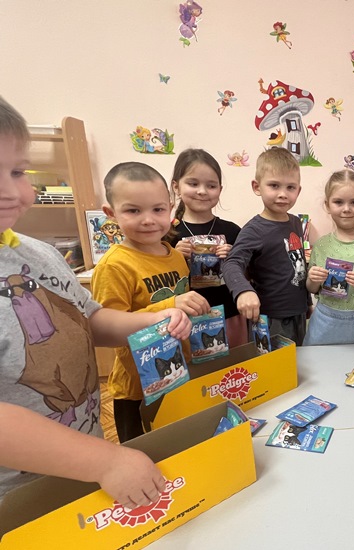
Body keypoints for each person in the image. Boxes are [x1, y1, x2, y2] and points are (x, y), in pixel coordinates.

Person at [0, 96, 191, 509]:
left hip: (82, 463)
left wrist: (157, 319)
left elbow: (91, 319)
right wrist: (105, 461)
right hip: (17, 498)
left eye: (17, 171)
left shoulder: (38, 253)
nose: (12, 191)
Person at [92, 162, 209, 443]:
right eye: (133, 211)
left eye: (157, 209)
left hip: (177, 373)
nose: (148, 220)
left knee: (179, 444)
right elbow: (107, 329)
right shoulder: (114, 265)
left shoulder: (176, 256)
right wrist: (171, 306)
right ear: (110, 213)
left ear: (170, 209)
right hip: (137, 388)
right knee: (142, 452)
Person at [222, 147, 309, 345]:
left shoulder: (296, 223)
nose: (283, 194)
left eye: (290, 187)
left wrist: (307, 303)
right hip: (270, 318)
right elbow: (231, 263)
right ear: (257, 187)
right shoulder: (254, 230)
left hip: (298, 313)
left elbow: (299, 266)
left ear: (298, 190)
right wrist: (243, 291)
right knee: (276, 363)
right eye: (274, 186)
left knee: (299, 360)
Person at [166, 148, 246, 347]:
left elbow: (250, 275)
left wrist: (233, 259)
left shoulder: (232, 231)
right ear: (176, 187)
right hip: (185, 322)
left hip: (230, 315)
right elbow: (161, 281)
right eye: (193, 184)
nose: (202, 191)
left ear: (220, 189)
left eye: (211, 185)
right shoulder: (168, 235)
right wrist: (174, 257)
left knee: (235, 365)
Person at [304, 170, 354, 345]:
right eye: (338, 202)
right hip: (324, 321)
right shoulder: (321, 245)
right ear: (328, 205)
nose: (346, 209)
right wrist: (313, 279)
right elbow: (312, 289)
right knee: (318, 362)